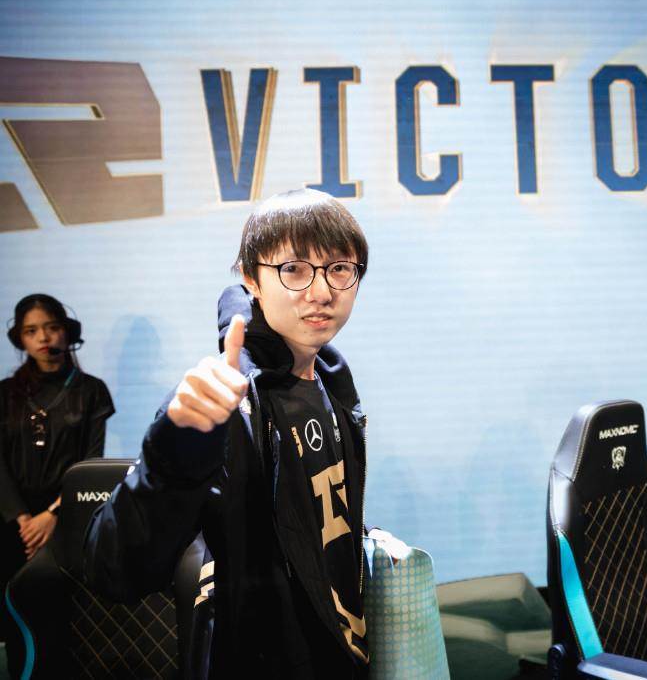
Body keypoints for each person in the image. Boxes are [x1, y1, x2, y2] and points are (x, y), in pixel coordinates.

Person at [84, 188, 390, 679]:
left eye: (339, 268)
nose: (320, 292)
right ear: (251, 278)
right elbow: (115, 570)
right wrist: (176, 446)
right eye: (293, 269)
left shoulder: (330, 379)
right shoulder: (223, 398)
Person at [0, 294, 114, 675]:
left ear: (67, 331)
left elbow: (90, 464)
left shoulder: (91, 390)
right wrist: (22, 519)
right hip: (12, 526)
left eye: (51, 327)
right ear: (20, 338)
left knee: (64, 621)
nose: (43, 337)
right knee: (16, 620)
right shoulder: (4, 394)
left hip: (65, 521)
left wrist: (51, 515)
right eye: (31, 331)